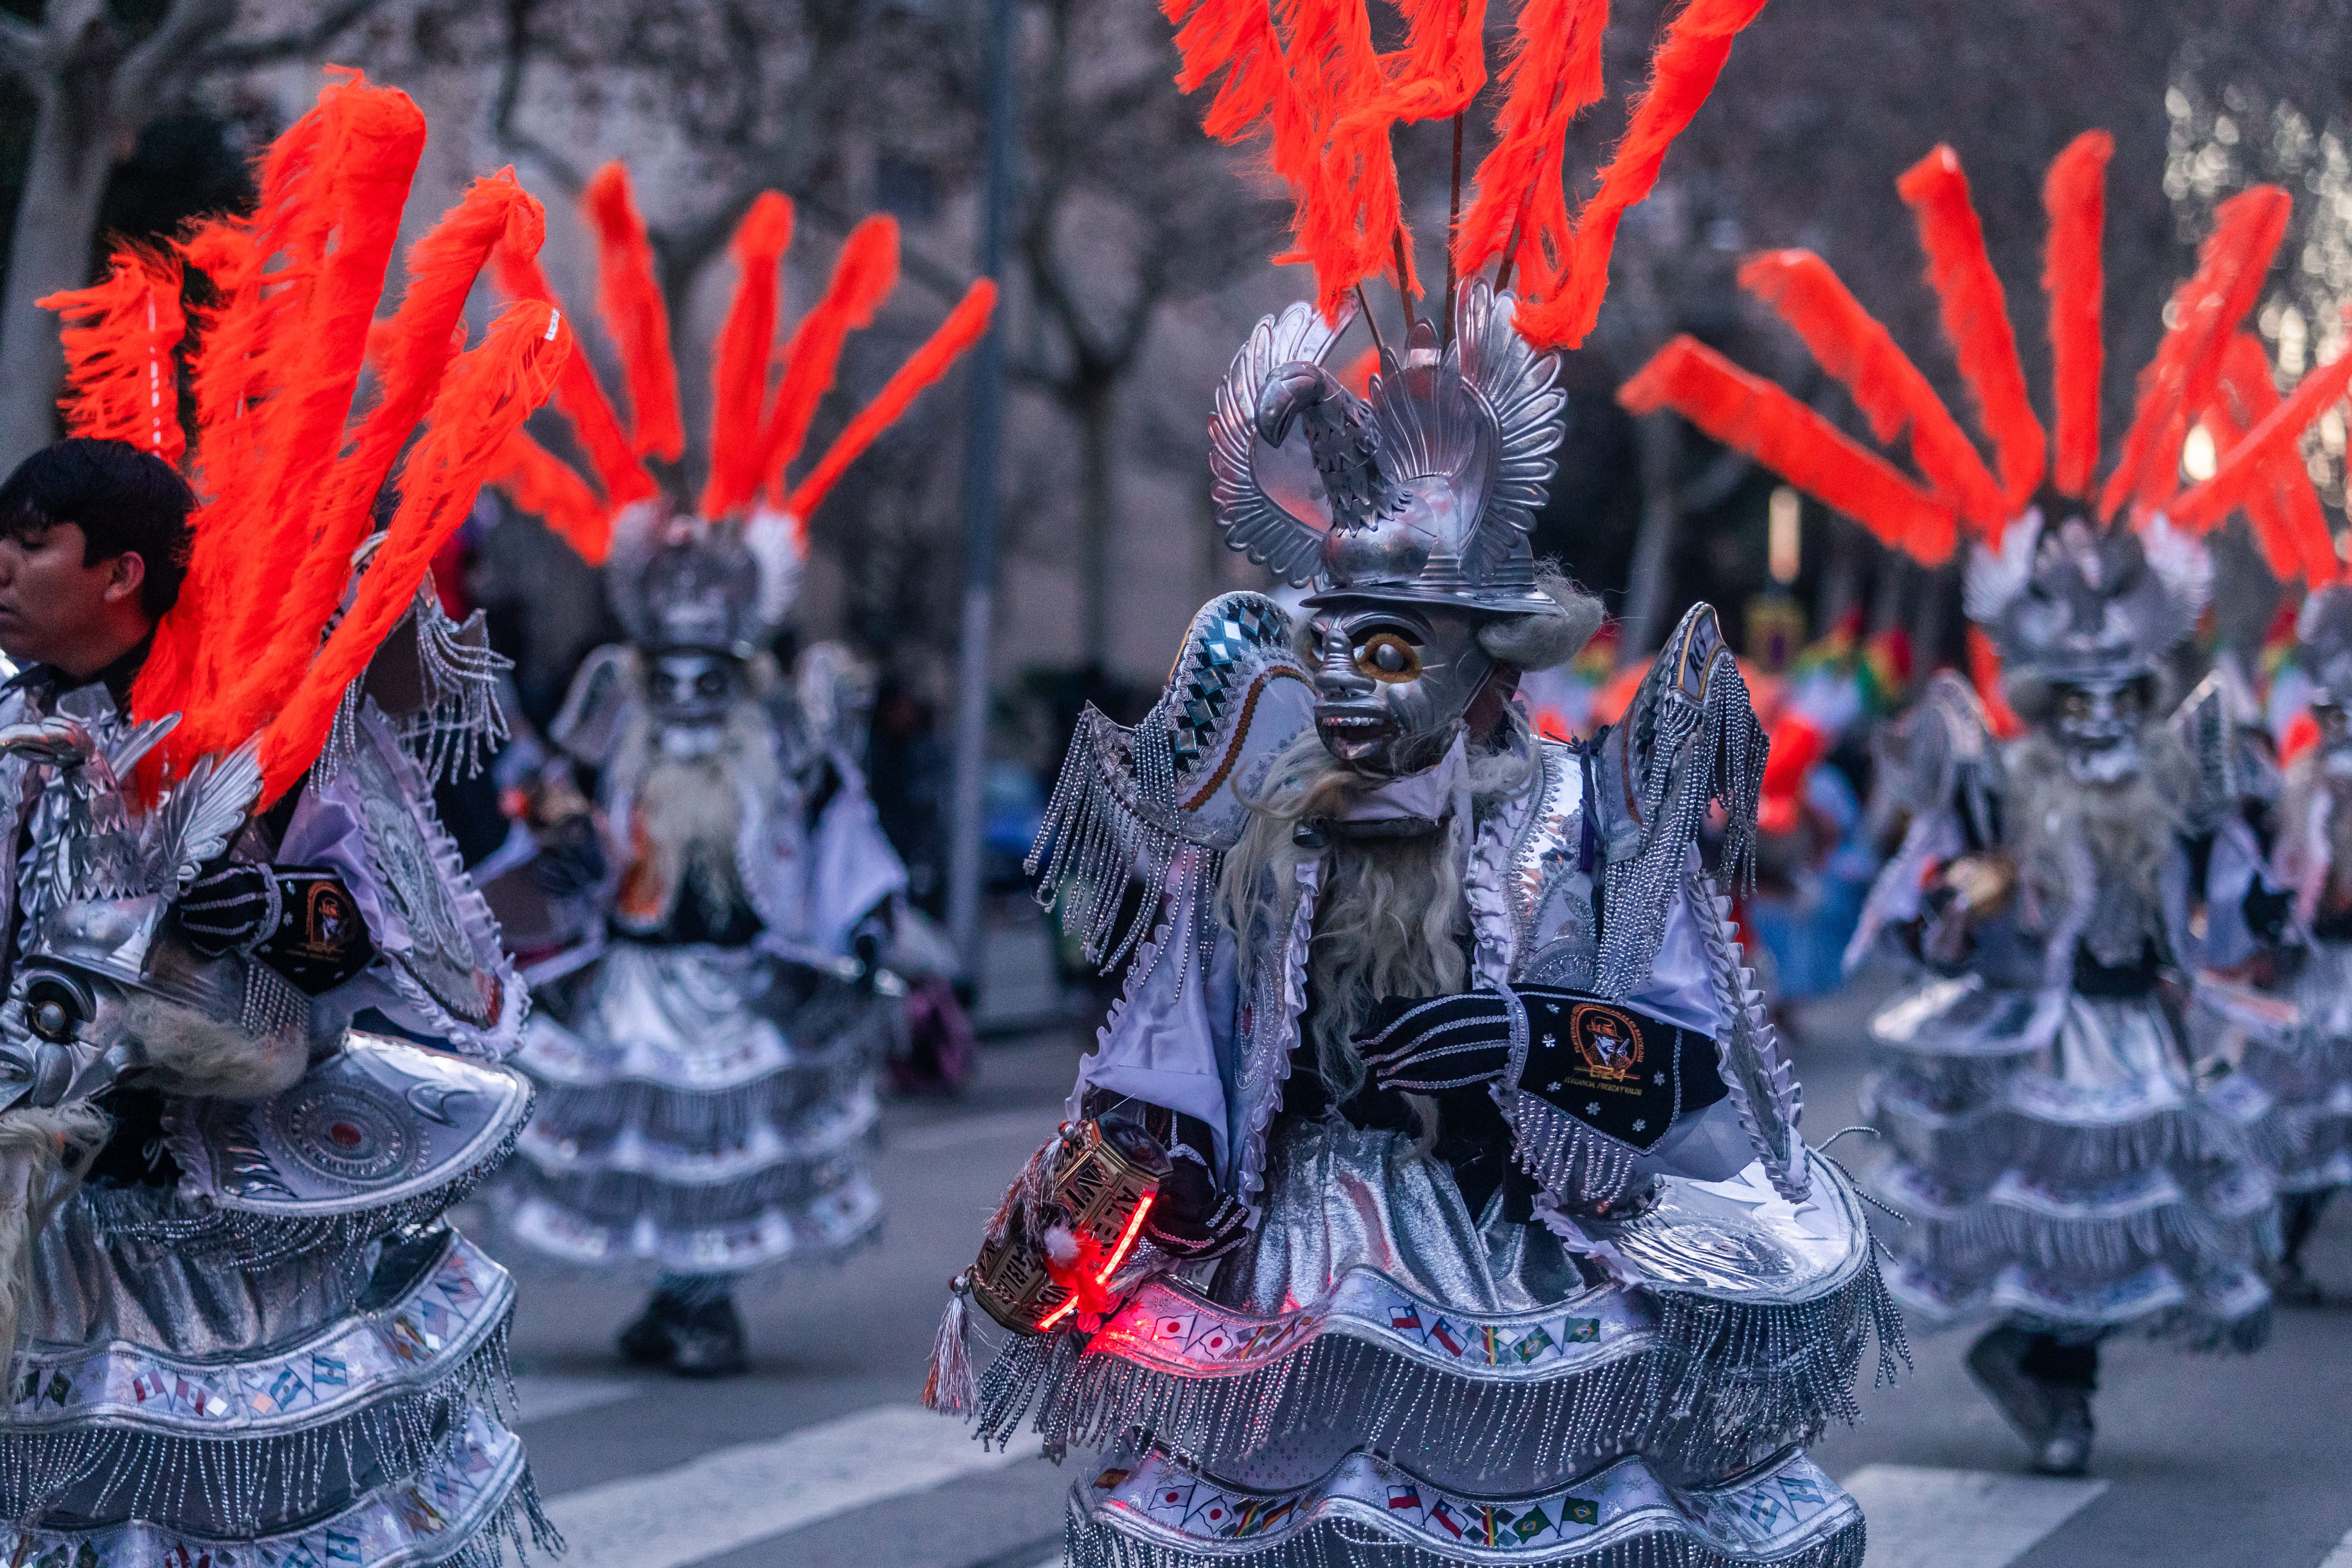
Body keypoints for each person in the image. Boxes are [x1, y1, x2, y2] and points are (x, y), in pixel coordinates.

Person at [926, 10, 1902, 1564]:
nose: (1348, 686)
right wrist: (1070, 1224)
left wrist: (1531, 1037)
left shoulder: (1569, 815)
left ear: (1483, 663)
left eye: (1391, 650)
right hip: (1294, 1271)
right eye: (1331, 647)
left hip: (1511, 1266)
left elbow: (1686, 1075)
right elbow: (1170, 1071)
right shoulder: (1265, 844)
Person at [1621, 131, 2340, 1474]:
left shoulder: (2178, 752)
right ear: (2037, 686)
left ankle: (2058, 1370)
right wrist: (1965, 899)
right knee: (2056, 1217)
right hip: (2039, 1030)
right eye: (2075, 697)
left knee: (2134, 1225)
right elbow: (1929, 886)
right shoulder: (1996, 768)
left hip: (2145, 1027)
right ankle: (2046, 1377)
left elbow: (2225, 868)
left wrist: (2250, 885)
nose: (2100, 721)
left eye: (2118, 692)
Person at [0, 71, 566, 1567]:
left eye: (30, 543)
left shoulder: (254, 728)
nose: (2, 570)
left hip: (212, 1197)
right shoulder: (5, 715)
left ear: (121, 572)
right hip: (43, 1192)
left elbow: (360, 931)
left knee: (228, 1503)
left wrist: (265, 917)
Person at [478, 163, 995, 1374]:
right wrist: (548, 825)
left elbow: (835, 828)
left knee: (730, 1144)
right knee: (643, 1147)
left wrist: (864, 932)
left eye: (716, 677)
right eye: (677, 679)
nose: (695, 698)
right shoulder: (616, 703)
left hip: (744, 974)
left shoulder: (783, 722)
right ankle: (677, 1297)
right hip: (636, 969)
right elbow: (553, 796)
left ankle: (701, 1301)